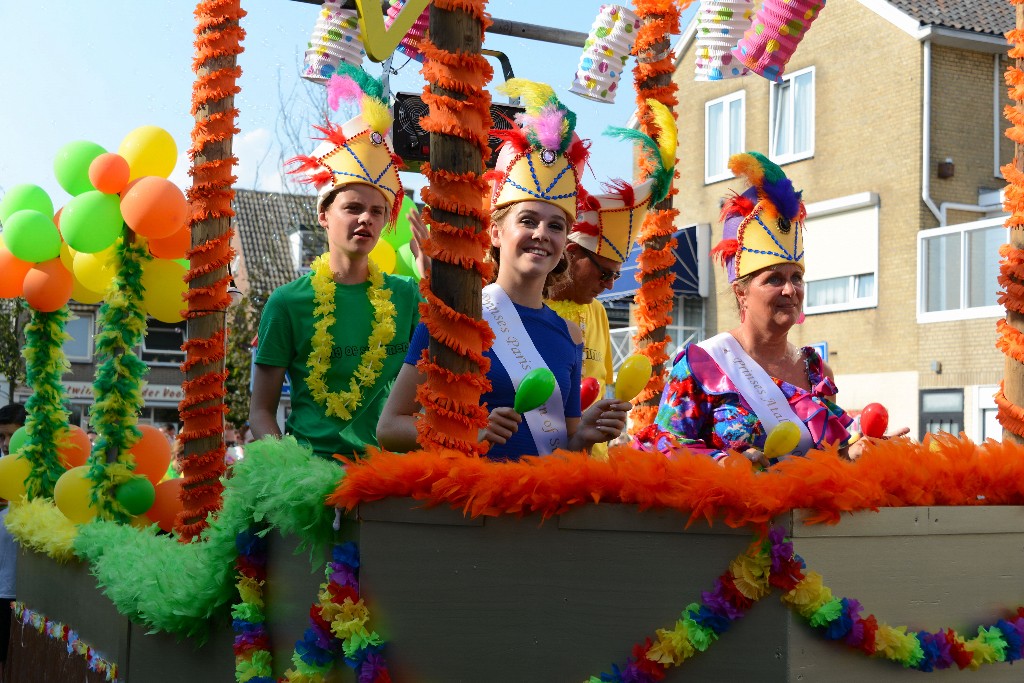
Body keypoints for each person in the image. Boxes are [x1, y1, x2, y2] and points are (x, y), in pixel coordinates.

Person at [377, 80, 631, 460]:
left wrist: (585, 437)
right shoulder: (451, 319)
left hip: (543, 511)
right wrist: (463, 433)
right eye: (528, 220)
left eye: (556, 226)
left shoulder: (571, 337)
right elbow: (390, 427)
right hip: (470, 511)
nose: (541, 234)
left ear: (566, 242)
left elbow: (566, 449)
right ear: (496, 231)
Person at [634, 152, 904, 465]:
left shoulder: (816, 373)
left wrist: (856, 453)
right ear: (741, 292)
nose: (790, 290)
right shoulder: (702, 366)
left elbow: (830, 461)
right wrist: (721, 462)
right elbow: (661, 450)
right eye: (774, 278)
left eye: (797, 278)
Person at [250, 66, 423, 460]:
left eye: (378, 211)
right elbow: (261, 411)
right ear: (324, 215)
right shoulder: (286, 303)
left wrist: (431, 277)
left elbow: (450, 367)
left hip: (387, 482)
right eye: (353, 207)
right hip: (311, 482)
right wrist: (291, 473)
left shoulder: (408, 296)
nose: (366, 219)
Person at [546, 106, 676, 459]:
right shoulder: (529, 307)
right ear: (571, 253)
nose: (607, 285)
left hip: (592, 472)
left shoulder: (598, 313)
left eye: (616, 276)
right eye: (603, 272)